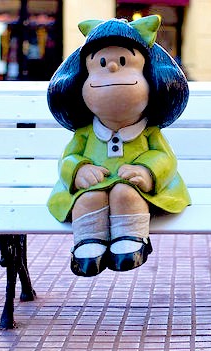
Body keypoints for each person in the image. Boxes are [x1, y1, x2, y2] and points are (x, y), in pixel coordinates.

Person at [46, 15, 190, 276]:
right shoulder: (86, 133)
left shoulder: (148, 131)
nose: (111, 68)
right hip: (90, 187)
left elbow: (164, 157)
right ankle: (88, 243)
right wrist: (77, 170)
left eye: (124, 62)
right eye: (101, 63)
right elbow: (68, 157)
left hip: (137, 189)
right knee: (89, 198)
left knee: (126, 194)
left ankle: (133, 241)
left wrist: (148, 171)